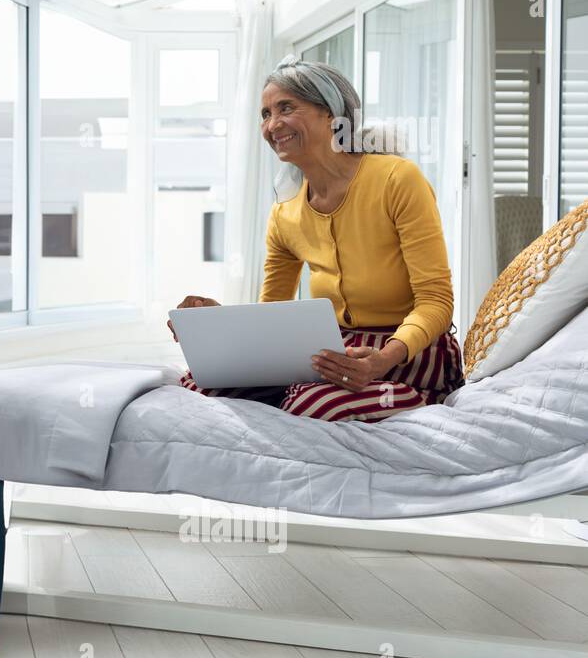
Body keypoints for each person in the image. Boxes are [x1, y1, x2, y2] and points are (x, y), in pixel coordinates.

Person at [169, 56, 463, 422]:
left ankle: (413, 398)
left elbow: (436, 300)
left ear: (331, 114)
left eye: (286, 107)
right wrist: (218, 324)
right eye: (265, 114)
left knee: (310, 404)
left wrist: (385, 358)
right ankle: (299, 395)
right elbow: (272, 316)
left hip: (410, 353)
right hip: (332, 351)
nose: (272, 124)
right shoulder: (285, 212)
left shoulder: (397, 179)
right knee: (198, 387)